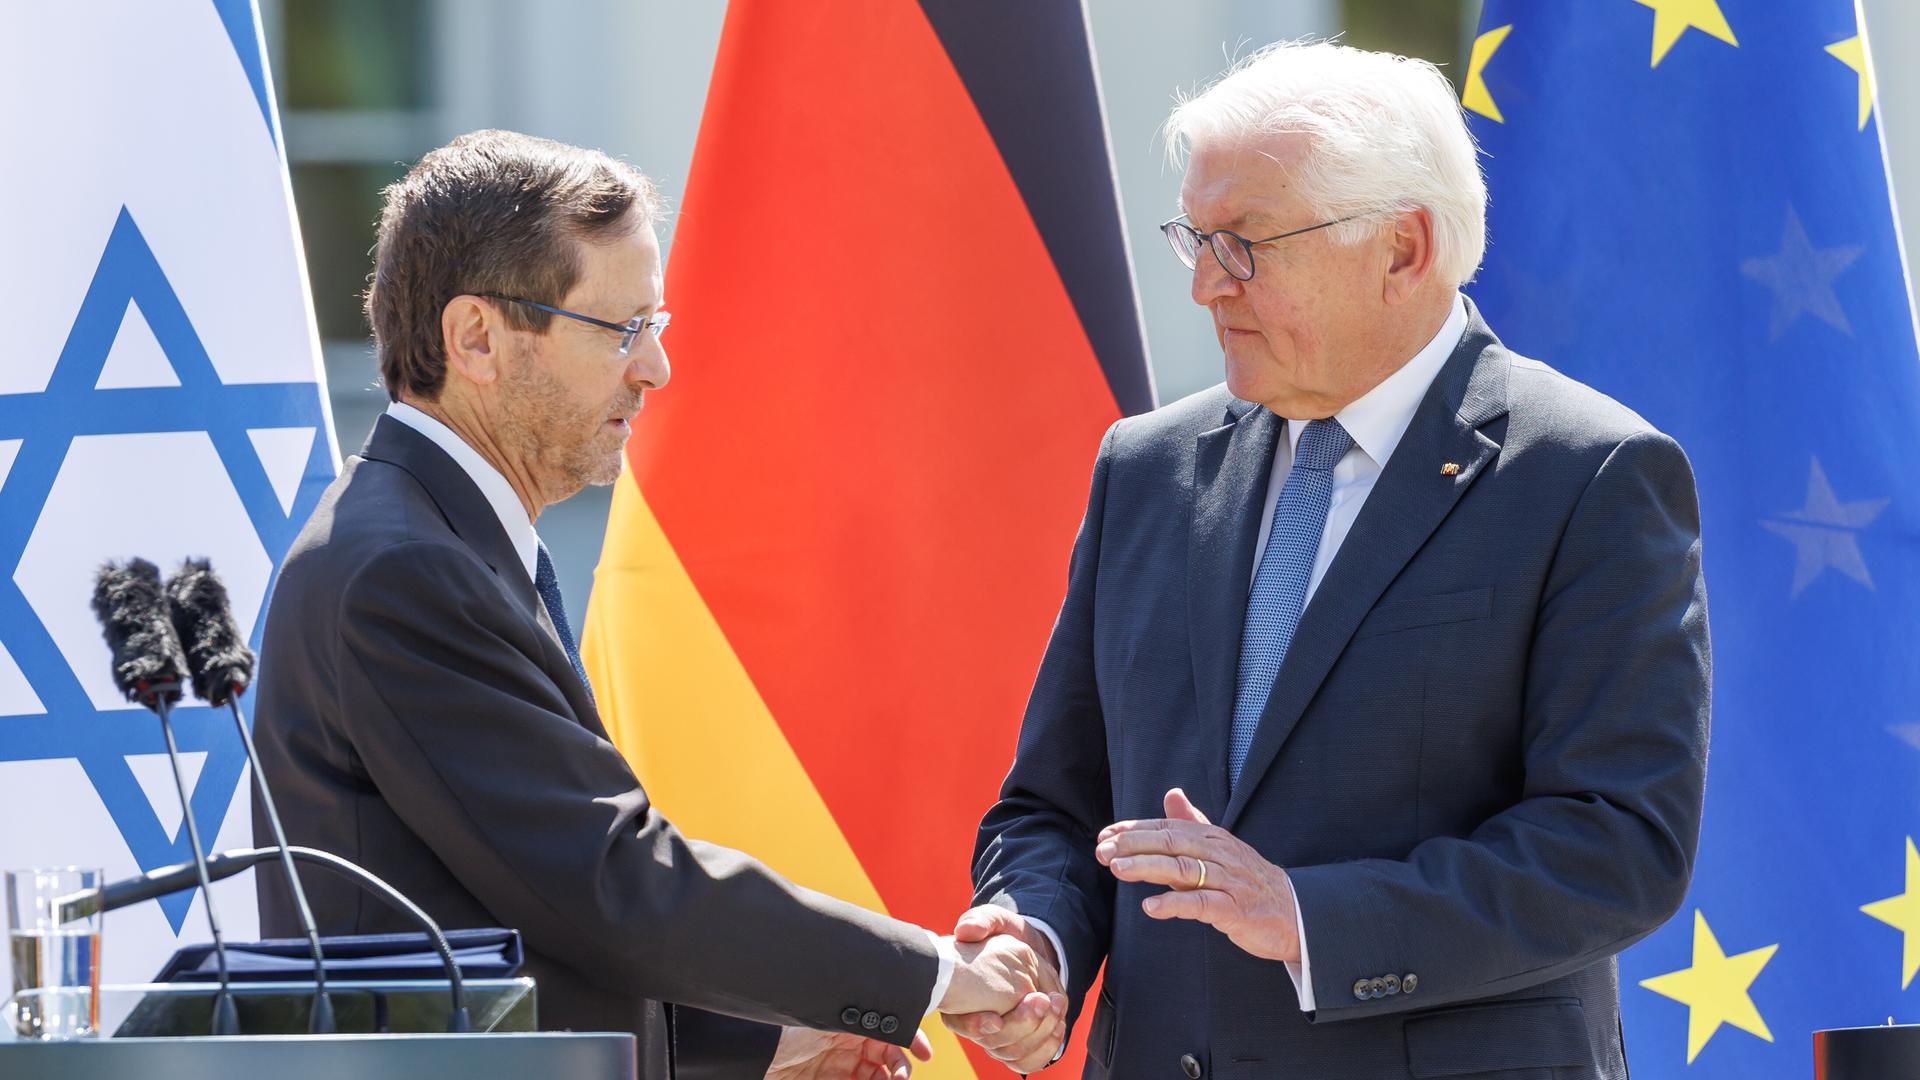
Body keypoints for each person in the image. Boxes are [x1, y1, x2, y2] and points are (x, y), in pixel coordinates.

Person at [948, 42, 1710, 1078]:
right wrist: (1035, 940)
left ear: (1402, 249)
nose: (1207, 286)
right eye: (1196, 239)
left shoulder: (1590, 474)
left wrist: (1312, 918)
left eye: (1248, 244)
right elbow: (1057, 802)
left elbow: (1619, 845)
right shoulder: (1147, 466)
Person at [251, 129, 1057, 1080]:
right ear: (476, 338)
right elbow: (608, 875)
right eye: (621, 329)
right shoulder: (403, 572)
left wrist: (769, 1044)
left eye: (657, 324)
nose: (657, 369)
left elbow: (517, 923)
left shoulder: (435, 539)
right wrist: (930, 971)